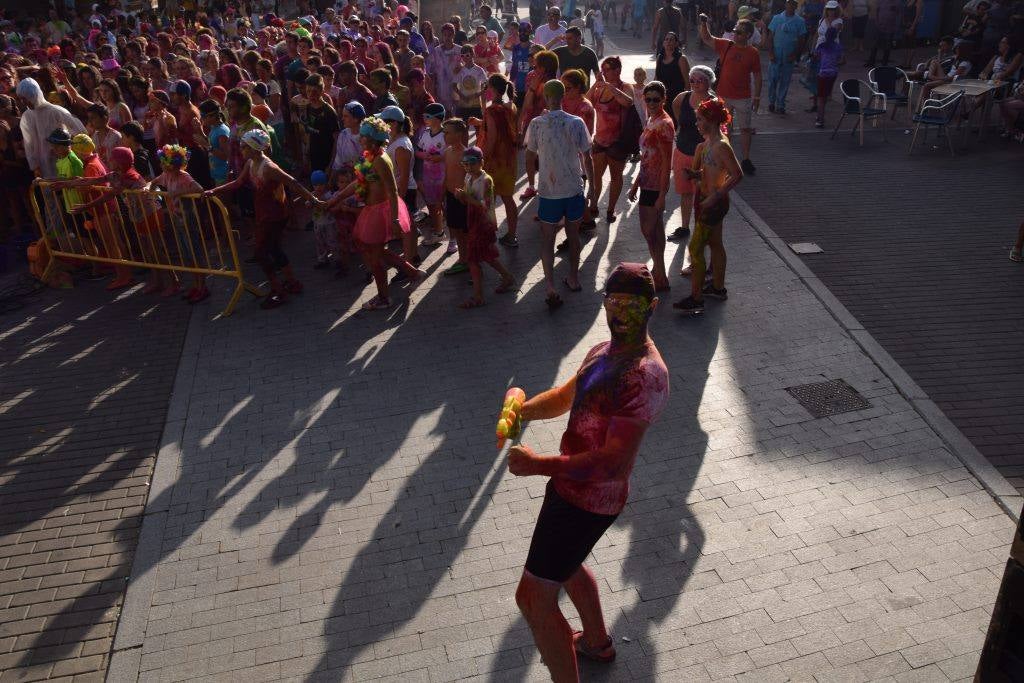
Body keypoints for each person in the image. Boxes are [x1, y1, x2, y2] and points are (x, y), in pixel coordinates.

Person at [509, 261, 669, 683]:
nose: (618, 312)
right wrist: (521, 412)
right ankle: (597, 642)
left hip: (587, 501)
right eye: (612, 301)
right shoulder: (603, 351)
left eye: (630, 304)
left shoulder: (644, 376)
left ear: (651, 306)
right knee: (570, 565)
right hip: (569, 490)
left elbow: (614, 462)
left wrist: (538, 465)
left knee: (533, 600)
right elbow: (566, 397)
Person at [322, 115, 425, 310]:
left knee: (374, 255)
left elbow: (393, 191)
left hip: (381, 211)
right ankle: (413, 273)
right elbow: (359, 182)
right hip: (371, 210)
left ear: (372, 139)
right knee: (370, 249)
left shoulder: (380, 160)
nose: (359, 139)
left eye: (362, 136)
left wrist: (394, 218)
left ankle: (384, 298)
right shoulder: (369, 156)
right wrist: (337, 197)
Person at [205, 129, 313, 309]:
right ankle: (291, 282)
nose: (241, 149)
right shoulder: (250, 163)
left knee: (261, 253)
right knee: (275, 249)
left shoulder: (269, 168)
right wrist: (214, 191)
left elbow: (293, 182)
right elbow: (238, 183)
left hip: (274, 215)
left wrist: (314, 200)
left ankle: (278, 290)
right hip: (265, 212)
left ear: (255, 148)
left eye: (244, 146)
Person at [525, 79, 596, 309]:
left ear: (545, 97)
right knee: (574, 237)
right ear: (564, 96)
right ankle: (573, 278)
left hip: (549, 192)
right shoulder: (576, 122)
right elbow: (588, 157)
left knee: (547, 239)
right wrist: (593, 187)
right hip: (573, 189)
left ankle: (550, 286)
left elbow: (529, 156)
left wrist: (531, 183)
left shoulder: (537, 124)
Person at [673, 98, 742, 315]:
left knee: (695, 248)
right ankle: (718, 288)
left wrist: (716, 195)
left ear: (710, 121)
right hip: (706, 199)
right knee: (715, 243)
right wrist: (695, 174)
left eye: (700, 120)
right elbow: (711, 171)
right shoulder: (706, 145)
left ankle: (697, 298)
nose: (696, 123)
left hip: (713, 204)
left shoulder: (721, 146)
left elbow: (737, 174)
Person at [698, 13, 761, 175]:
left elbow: (758, 75)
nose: (735, 34)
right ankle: (726, 159)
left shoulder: (753, 52)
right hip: (724, 95)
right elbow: (706, 38)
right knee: (725, 129)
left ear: (748, 35)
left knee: (745, 129)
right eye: (735, 30)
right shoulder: (726, 45)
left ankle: (746, 159)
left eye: (739, 32)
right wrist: (704, 23)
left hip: (743, 97)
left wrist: (757, 96)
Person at [453, 146, 515, 308]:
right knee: (487, 256)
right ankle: (507, 277)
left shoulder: (486, 180)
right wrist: (461, 196)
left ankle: (478, 296)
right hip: (472, 221)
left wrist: (467, 197)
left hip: (484, 223)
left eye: (471, 163)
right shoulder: (468, 177)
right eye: (464, 163)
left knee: (473, 259)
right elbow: (468, 200)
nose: (468, 167)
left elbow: (485, 206)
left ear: (481, 162)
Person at [629, 81, 675, 292]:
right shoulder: (651, 119)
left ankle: (660, 270)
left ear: (664, 99)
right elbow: (646, 156)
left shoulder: (664, 124)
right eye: (648, 99)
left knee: (649, 229)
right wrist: (636, 184)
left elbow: (667, 161)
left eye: (656, 99)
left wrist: (662, 195)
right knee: (654, 229)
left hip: (656, 185)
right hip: (647, 181)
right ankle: (660, 271)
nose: (652, 103)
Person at [587, 57, 634, 223]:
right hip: (599, 139)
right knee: (596, 176)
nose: (604, 73)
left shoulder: (626, 87)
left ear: (617, 70)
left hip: (617, 142)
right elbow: (586, 101)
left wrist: (610, 87)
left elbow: (628, 102)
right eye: (603, 69)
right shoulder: (600, 88)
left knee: (616, 177)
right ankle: (593, 205)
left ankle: (610, 209)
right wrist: (595, 84)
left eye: (607, 69)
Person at [16, 78, 86, 179]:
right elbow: (29, 145)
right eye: (21, 99)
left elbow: (80, 132)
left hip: (64, 165)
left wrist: (67, 148)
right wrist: (34, 166)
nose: (24, 102)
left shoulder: (55, 111)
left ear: (34, 94)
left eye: (25, 98)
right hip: (43, 169)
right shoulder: (26, 117)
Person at [480, 75, 520, 247]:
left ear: (492, 88)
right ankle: (512, 235)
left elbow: (492, 137)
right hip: (509, 160)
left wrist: (482, 158)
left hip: (494, 160)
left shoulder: (492, 110)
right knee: (508, 198)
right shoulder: (511, 106)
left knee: (488, 200)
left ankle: (487, 237)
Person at [380, 105, 420, 269]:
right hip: (399, 190)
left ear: (393, 124)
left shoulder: (401, 146)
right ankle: (413, 256)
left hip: (404, 190)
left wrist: (398, 198)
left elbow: (404, 176)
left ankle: (408, 264)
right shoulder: (395, 141)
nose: (380, 125)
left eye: (383, 122)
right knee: (409, 226)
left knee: (406, 229)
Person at [766, 0, 807, 115]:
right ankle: (771, 102)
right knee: (772, 80)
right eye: (789, 3)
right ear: (786, 4)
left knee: (785, 81)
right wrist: (771, 53)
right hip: (776, 53)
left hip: (789, 54)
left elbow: (802, 39)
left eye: (793, 4)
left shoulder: (800, 21)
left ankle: (781, 104)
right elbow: (770, 37)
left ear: (796, 5)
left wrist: (795, 55)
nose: (790, 6)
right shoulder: (777, 18)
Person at [415, 103, 447, 248]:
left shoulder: (445, 135)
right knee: (433, 205)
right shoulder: (425, 133)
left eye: (427, 116)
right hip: (429, 177)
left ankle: (444, 232)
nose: (424, 119)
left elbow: (453, 153)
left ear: (438, 118)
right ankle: (439, 230)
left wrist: (440, 158)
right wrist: (425, 155)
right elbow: (418, 151)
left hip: (444, 177)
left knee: (442, 204)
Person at [442, 117, 470, 271]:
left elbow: (471, 178)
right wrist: (442, 196)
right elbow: (446, 175)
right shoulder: (447, 152)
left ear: (459, 134)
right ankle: (463, 258)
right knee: (457, 230)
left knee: (466, 231)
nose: (445, 136)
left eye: (448, 133)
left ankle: (470, 260)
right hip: (451, 196)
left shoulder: (466, 154)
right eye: (444, 133)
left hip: (463, 198)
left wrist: (467, 196)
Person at [654, 32, 690, 123]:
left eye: (671, 40)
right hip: (663, 97)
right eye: (666, 39)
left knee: (675, 123)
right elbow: (656, 77)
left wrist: (686, 101)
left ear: (676, 43)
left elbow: (687, 82)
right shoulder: (660, 57)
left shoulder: (681, 59)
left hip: (676, 97)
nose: (668, 42)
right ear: (663, 43)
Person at [426, 23, 461, 113]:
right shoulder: (436, 51)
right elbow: (431, 70)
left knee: (456, 114)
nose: (447, 37)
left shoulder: (459, 50)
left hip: (457, 88)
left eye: (449, 35)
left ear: (453, 35)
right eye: (445, 35)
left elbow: (467, 66)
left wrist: (462, 66)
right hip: (441, 89)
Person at [813, 27, 843, 127]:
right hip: (833, 73)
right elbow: (842, 60)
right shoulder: (838, 47)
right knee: (825, 96)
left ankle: (820, 119)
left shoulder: (821, 46)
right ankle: (820, 116)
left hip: (823, 73)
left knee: (821, 97)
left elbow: (816, 57)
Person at [309, 170, 339, 269]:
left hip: (329, 222)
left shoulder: (329, 195)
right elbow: (307, 204)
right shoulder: (311, 195)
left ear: (325, 184)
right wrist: (310, 203)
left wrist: (323, 201)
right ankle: (322, 259)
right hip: (318, 223)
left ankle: (337, 259)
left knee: (332, 241)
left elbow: (332, 205)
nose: (318, 187)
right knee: (320, 242)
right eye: (316, 185)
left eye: (321, 185)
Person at [452, 45, 488, 120]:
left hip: (476, 105)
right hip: (462, 104)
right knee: (462, 129)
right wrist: (462, 96)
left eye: (467, 55)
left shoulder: (479, 70)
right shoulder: (460, 71)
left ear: (473, 55)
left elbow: (486, 85)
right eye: (462, 56)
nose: (465, 58)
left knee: (479, 128)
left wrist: (477, 94)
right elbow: (454, 85)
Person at [866, 0, 903, 67]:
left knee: (887, 45)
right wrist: (877, 22)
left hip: (890, 27)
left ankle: (884, 62)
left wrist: (896, 26)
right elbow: (877, 11)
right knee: (875, 44)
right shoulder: (881, 1)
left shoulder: (896, 2)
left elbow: (899, 14)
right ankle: (871, 61)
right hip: (879, 26)